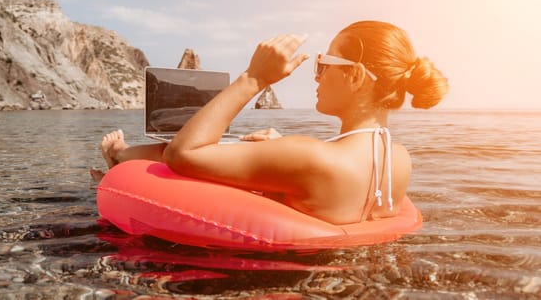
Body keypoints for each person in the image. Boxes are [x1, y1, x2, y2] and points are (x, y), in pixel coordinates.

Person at [91, 20, 448, 225]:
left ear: (355, 77)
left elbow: (183, 154)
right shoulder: (399, 158)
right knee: (240, 147)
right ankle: (121, 155)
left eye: (323, 64)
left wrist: (253, 78)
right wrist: (284, 145)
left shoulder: (311, 157)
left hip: (273, 281)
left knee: (184, 150)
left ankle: (120, 155)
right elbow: (332, 166)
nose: (317, 77)